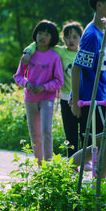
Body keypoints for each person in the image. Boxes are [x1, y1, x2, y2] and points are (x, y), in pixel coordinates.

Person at [70, 0, 106, 178]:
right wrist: (76, 100)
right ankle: (100, 186)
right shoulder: (91, 35)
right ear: (99, 5)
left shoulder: (102, 31)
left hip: (101, 98)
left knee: (102, 144)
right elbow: (77, 68)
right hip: (92, 99)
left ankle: (64, 166)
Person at [22, 21, 83, 158]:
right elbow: (38, 44)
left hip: (83, 98)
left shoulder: (84, 54)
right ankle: (72, 164)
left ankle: (85, 160)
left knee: (85, 131)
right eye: (67, 37)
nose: (71, 40)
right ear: (62, 38)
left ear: (81, 37)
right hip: (65, 98)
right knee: (70, 133)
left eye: (75, 37)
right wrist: (27, 52)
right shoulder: (59, 51)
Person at [13, 20, 64, 165]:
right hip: (30, 99)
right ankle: (40, 166)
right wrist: (26, 83)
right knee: (35, 134)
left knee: (46, 130)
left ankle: (49, 165)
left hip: (47, 98)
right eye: (40, 33)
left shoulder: (54, 56)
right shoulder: (28, 55)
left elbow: (59, 81)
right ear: (36, 34)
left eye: (47, 34)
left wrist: (44, 87)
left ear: (52, 38)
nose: (43, 37)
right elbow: (18, 76)